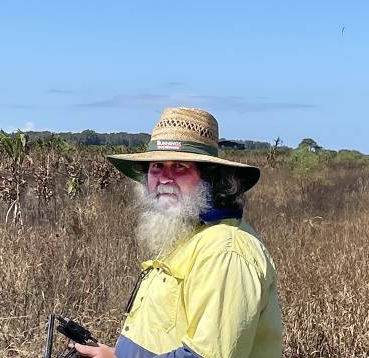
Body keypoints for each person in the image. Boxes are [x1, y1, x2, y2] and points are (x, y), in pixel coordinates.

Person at [72, 107, 283, 358]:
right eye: (157, 166)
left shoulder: (226, 252)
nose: (165, 178)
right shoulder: (189, 233)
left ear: (210, 180)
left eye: (180, 167)